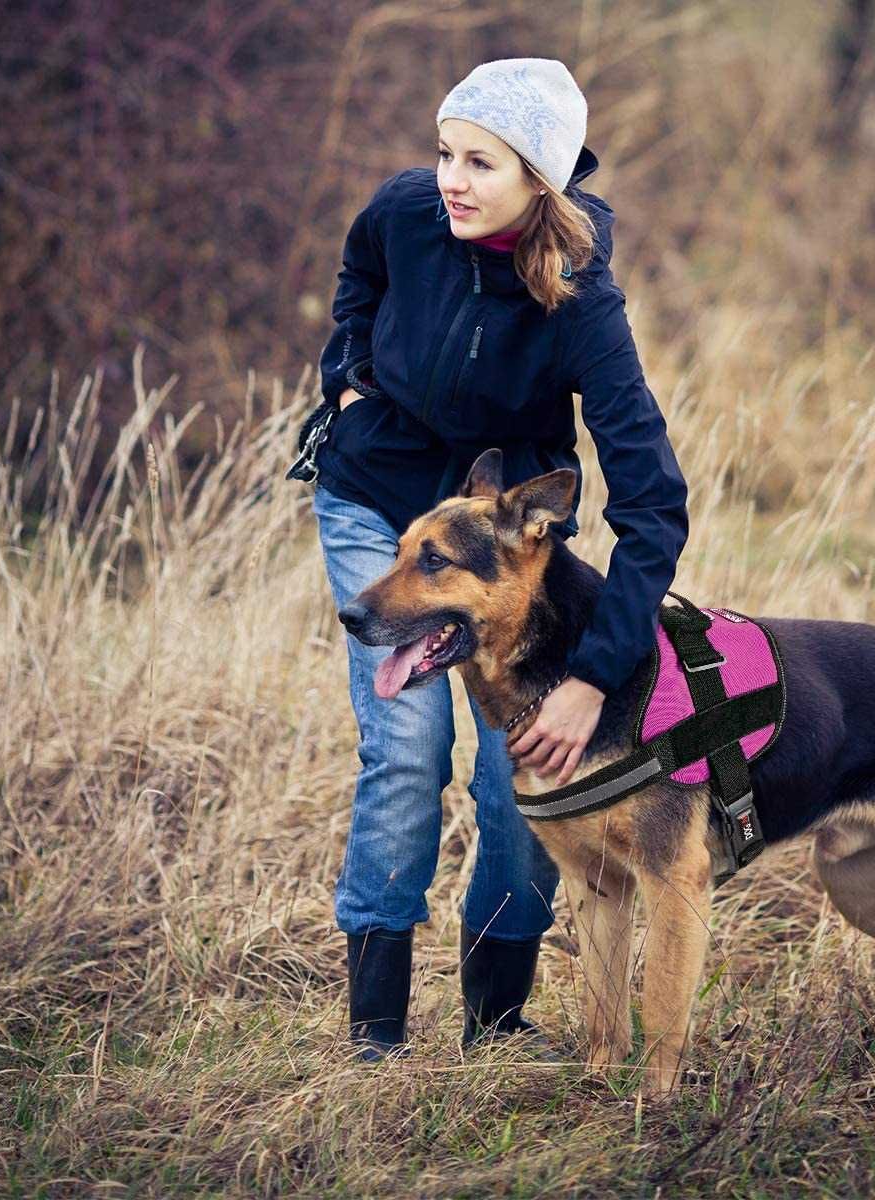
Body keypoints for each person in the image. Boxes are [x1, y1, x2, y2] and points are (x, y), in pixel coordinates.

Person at [296, 57, 689, 1061]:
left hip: (502, 541)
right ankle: (377, 1036)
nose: (451, 180)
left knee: (529, 763)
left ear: (540, 182)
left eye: (481, 161)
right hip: (379, 502)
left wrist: (594, 681)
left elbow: (654, 508)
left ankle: (497, 1022)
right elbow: (359, 277)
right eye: (445, 151)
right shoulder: (405, 211)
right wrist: (346, 377)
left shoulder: (581, 302)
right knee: (409, 746)